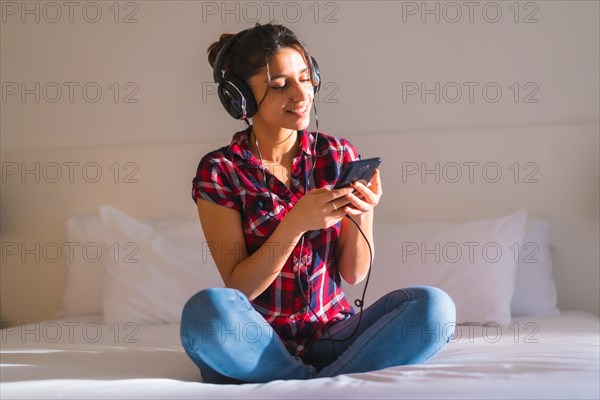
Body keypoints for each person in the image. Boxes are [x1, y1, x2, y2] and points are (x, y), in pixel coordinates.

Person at [180, 23, 456, 384]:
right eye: (280, 85)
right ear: (241, 99)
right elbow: (239, 288)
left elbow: (354, 273)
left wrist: (364, 208)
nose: (301, 94)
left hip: (334, 336)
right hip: (257, 343)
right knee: (205, 313)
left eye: (306, 78)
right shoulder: (220, 170)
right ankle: (320, 381)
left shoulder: (337, 154)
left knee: (434, 309)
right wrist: (295, 223)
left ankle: (298, 383)